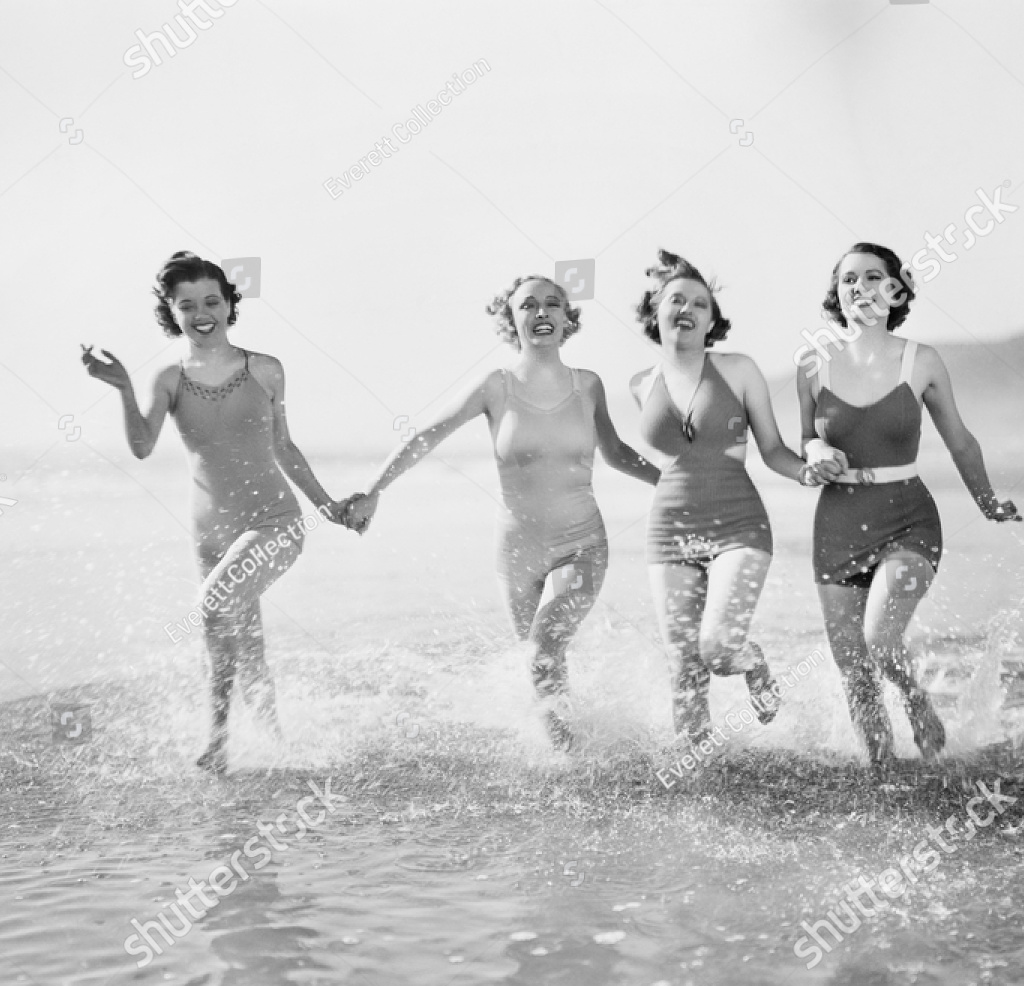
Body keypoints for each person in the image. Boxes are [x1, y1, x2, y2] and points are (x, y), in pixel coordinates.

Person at [343, 275, 659, 749]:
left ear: (567, 318)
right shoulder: (497, 387)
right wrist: (374, 489)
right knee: (540, 661)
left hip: (582, 542)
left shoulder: (588, 386)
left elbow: (616, 452)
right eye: (527, 306)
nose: (541, 313)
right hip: (516, 551)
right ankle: (567, 742)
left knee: (544, 648)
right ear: (511, 321)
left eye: (553, 304)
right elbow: (430, 433)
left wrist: (672, 482)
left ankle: (569, 760)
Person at [80, 251, 357, 773]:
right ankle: (276, 747)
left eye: (212, 300)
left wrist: (327, 508)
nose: (202, 312)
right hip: (209, 533)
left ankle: (217, 740)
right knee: (246, 644)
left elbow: (284, 447)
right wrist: (120, 387)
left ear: (230, 304)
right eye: (187, 305)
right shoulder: (167, 378)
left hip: (273, 521)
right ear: (172, 312)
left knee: (213, 605)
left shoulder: (265, 369)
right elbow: (142, 446)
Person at [798, 242, 1021, 768]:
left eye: (873, 277)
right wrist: (817, 452)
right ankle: (882, 772)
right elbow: (805, 442)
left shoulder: (922, 360)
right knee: (852, 668)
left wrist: (987, 503)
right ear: (838, 292)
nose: (860, 288)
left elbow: (960, 440)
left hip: (907, 519)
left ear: (895, 289)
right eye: (849, 279)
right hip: (837, 523)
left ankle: (916, 698)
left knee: (879, 639)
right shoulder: (813, 365)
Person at [630, 249, 820, 743]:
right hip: (669, 530)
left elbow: (773, 449)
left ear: (712, 320)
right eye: (676, 299)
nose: (687, 309)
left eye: (699, 303)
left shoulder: (739, 369)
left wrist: (808, 473)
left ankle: (752, 661)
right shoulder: (640, 384)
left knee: (715, 649)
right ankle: (697, 774)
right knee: (683, 666)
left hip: (739, 523)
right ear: (656, 310)